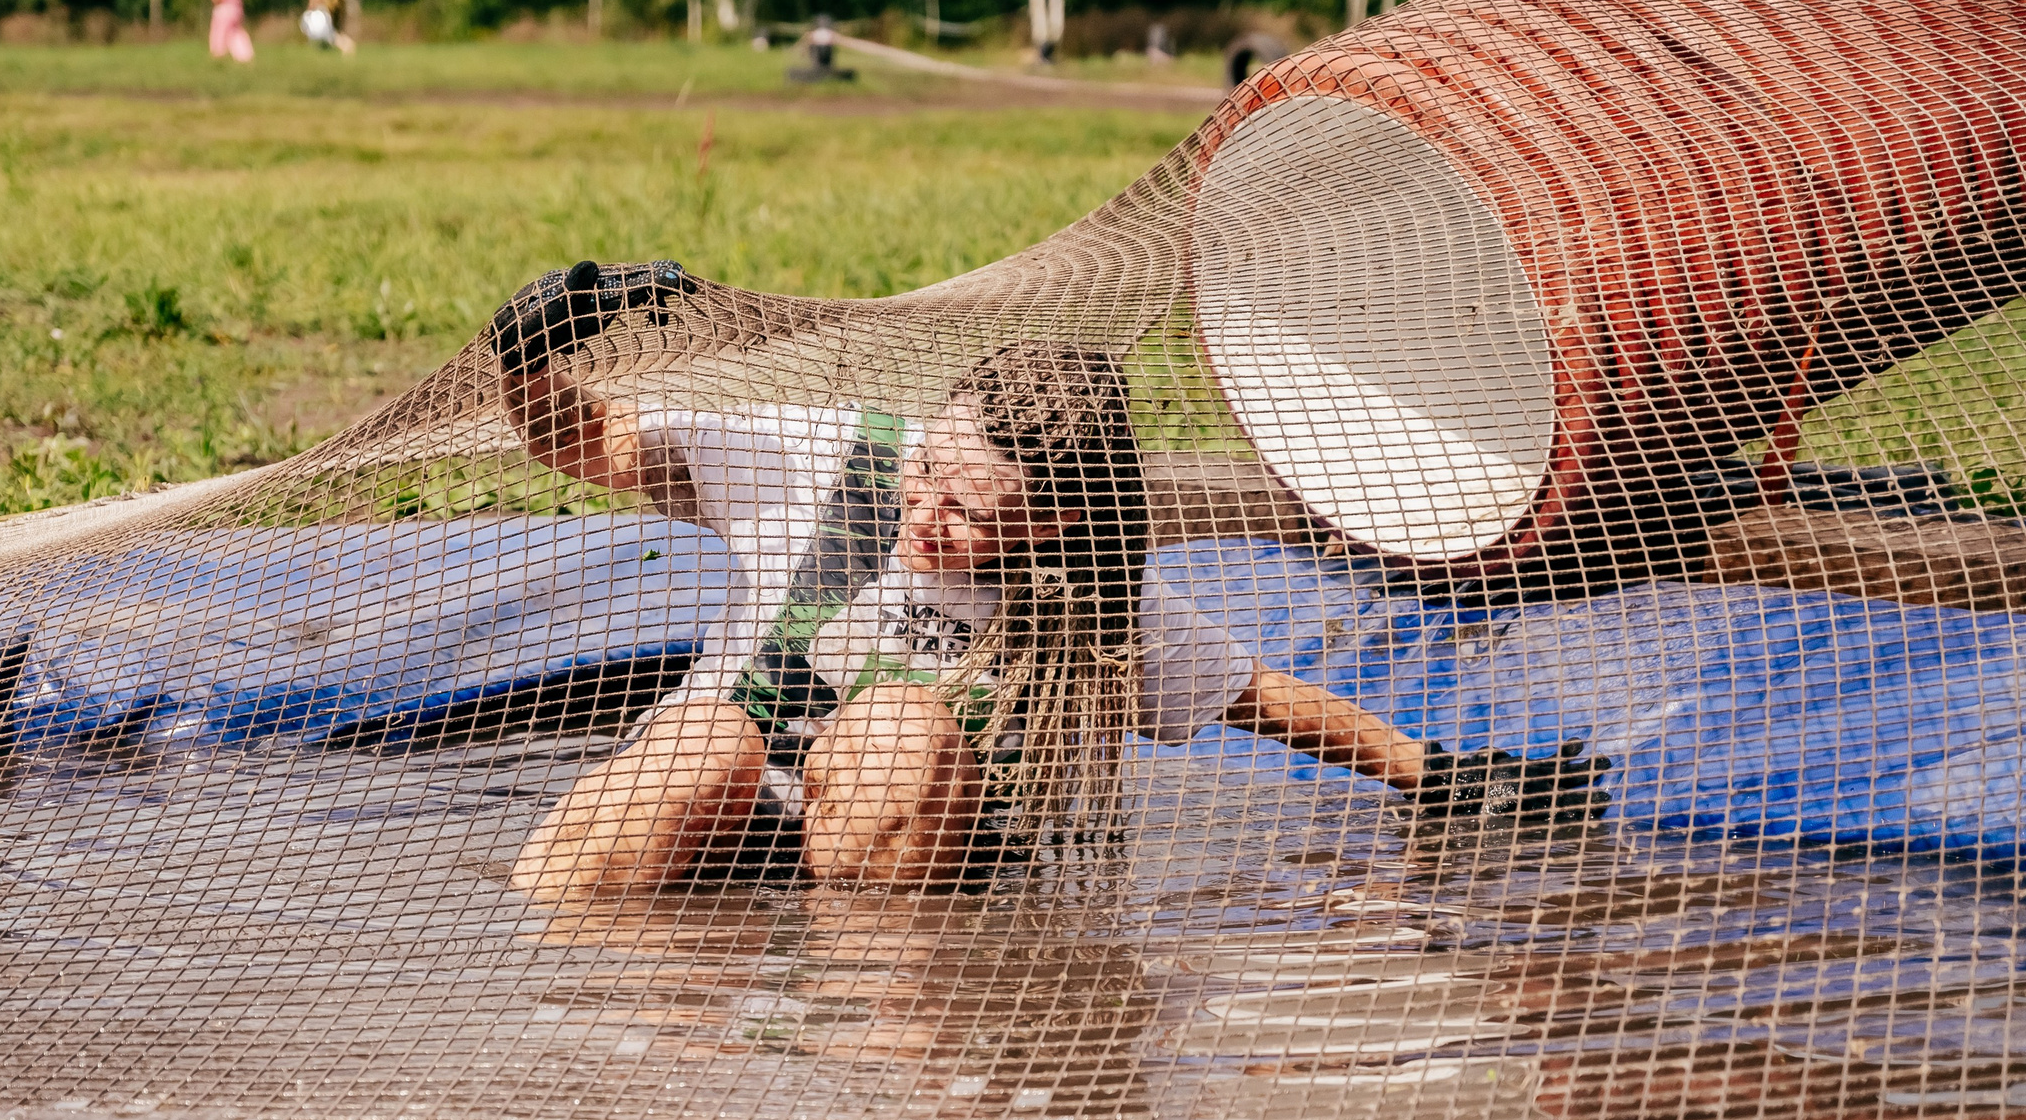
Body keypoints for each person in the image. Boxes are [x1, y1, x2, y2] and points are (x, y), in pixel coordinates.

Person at [492, 261, 1610, 906]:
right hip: (724, 813)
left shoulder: (1091, 599)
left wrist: (1435, 774)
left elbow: (1262, 700)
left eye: (971, 510)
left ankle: (859, 1011)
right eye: (926, 471)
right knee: (700, 740)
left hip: (900, 847)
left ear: (1054, 523)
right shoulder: (820, 453)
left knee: (897, 728)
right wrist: (528, 357)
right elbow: (594, 444)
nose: (924, 512)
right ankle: (571, 973)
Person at [207, 0, 255, 64]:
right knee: (235, 34)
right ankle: (245, 56)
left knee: (219, 33)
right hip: (237, 10)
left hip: (224, 11)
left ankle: (218, 56)